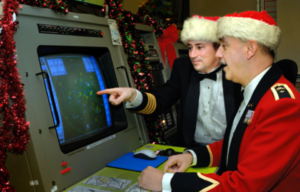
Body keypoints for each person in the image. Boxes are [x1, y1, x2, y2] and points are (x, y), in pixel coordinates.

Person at [138, 10, 300, 192]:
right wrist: (192, 156)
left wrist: (165, 183)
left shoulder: (281, 106)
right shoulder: (258, 90)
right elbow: (236, 143)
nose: (219, 54)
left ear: (250, 49)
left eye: (224, 46)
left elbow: (244, 187)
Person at [97, 15, 241, 147]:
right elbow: (160, 100)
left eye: (199, 47)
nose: (192, 54)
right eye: (190, 47)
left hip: (231, 150)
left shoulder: (237, 71)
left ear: (219, 48)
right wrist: (133, 95)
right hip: (191, 149)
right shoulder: (183, 68)